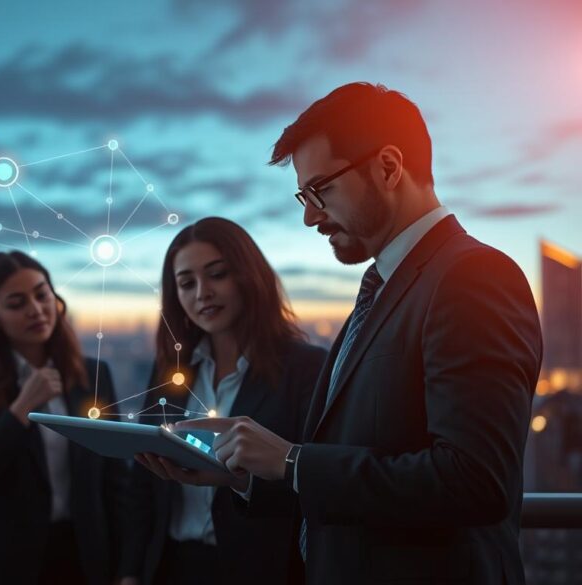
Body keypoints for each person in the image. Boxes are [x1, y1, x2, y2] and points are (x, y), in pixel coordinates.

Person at [177, 83, 542, 584]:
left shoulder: (472, 277)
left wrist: (292, 460)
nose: (309, 216)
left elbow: (475, 481)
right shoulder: (383, 288)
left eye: (321, 189)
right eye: (304, 196)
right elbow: (359, 461)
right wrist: (240, 474)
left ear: (389, 167)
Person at [123, 217, 327, 585]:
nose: (202, 292)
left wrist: (239, 481)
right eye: (187, 283)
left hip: (258, 568)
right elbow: (143, 485)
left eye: (217, 274)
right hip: (171, 566)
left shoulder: (306, 369)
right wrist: (130, 572)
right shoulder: (169, 373)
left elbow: (315, 486)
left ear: (249, 276)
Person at [0, 250, 130, 585]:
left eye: (42, 295)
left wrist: (127, 568)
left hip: (83, 557)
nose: (36, 310)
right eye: (16, 303)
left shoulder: (92, 374)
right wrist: (21, 409)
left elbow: (114, 475)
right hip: (1, 563)